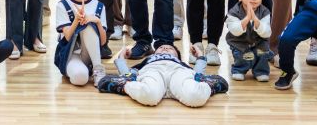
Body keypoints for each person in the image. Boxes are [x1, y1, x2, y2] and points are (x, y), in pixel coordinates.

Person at [97, 44, 228, 107]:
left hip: (178, 72)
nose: (165, 49)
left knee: (195, 96)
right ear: (154, 54)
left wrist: (200, 56)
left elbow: (198, 73)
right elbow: (127, 74)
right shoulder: (146, 62)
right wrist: (121, 57)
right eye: (161, 48)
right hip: (153, 71)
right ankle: (123, 85)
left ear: (177, 56)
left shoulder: (182, 64)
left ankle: (209, 84)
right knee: (149, 95)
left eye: (170, 48)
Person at [53, 0, 107, 87]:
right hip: (69, 54)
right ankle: (84, 70)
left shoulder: (99, 6)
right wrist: (76, 20)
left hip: (88, 55)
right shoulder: (63, 4)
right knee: (80, 78)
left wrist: (97, 21)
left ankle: (98, 69)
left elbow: (103, 42)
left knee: (89, 25)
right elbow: (67, 37)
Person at [225, 0, 273, 82]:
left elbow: (267, 33)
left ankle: (261, 71)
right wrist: (247, 18)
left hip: (259, 42)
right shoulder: (233, 12)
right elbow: (235, 31)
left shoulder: (265, 12)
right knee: (243, 55)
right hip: (239, 42)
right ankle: (239, 70)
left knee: (262, 52)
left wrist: (256, 20)